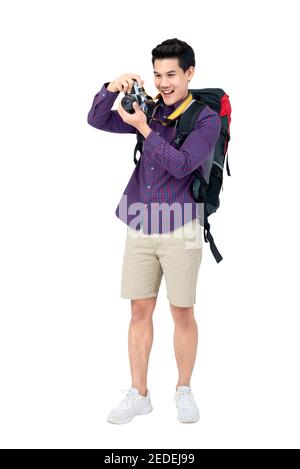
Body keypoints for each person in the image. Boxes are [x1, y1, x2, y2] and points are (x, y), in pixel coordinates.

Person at [87, 38, 221, 424]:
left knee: (181, 311)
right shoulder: (150, 110)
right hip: (140, 222)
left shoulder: (205, 118)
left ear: (190, 73)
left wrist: (145, 129)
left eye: (172, 74)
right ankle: (139, 393)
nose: (163, 83)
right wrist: (111, 88)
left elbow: (181, 165)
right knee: (139, 309)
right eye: (158, 74)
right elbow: (97, 120)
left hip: (181, 227)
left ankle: (183, 389)